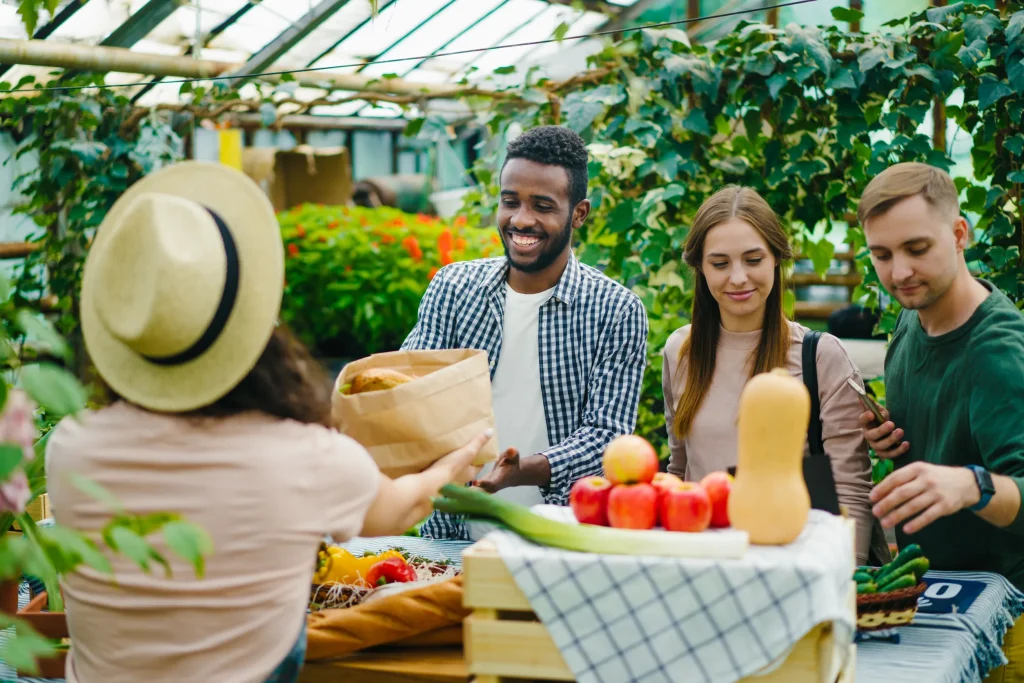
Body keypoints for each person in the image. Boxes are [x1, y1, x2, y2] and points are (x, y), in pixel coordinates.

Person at [44, 161, 492, 683]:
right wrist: (458, 460)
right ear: (253, 322)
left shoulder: (71, 449)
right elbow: (403, 506)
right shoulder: (305, 455)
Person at [401, 125, 649, 541]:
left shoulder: (616, 310)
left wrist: (522, 471)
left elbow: (608, 436)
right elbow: (412, 391)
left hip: (558, 539)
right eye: (510, 201)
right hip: (448, 535)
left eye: (542, 206)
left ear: (579, 214)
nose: (521, 220)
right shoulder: (453, 288)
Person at [856, 163, 1023, 677]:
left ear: (958, 234)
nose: (899, 272)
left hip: (1005, 621)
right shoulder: (911, 319)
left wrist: (970, 485)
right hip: (930, 597)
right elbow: (943, 435)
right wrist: (893, 437)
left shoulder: (998, 351)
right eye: (881, 255)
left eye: (916, 249)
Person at [662, 186, 884, 565]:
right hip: (704, 561)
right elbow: (680, 469)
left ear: (777, 259)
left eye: (753, 259)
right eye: (719, 263)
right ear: (699, 266)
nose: (738, 278)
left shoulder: (821, 357)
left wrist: (846, 584)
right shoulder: (679, 352)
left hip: (795, 563)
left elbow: (849, 488)